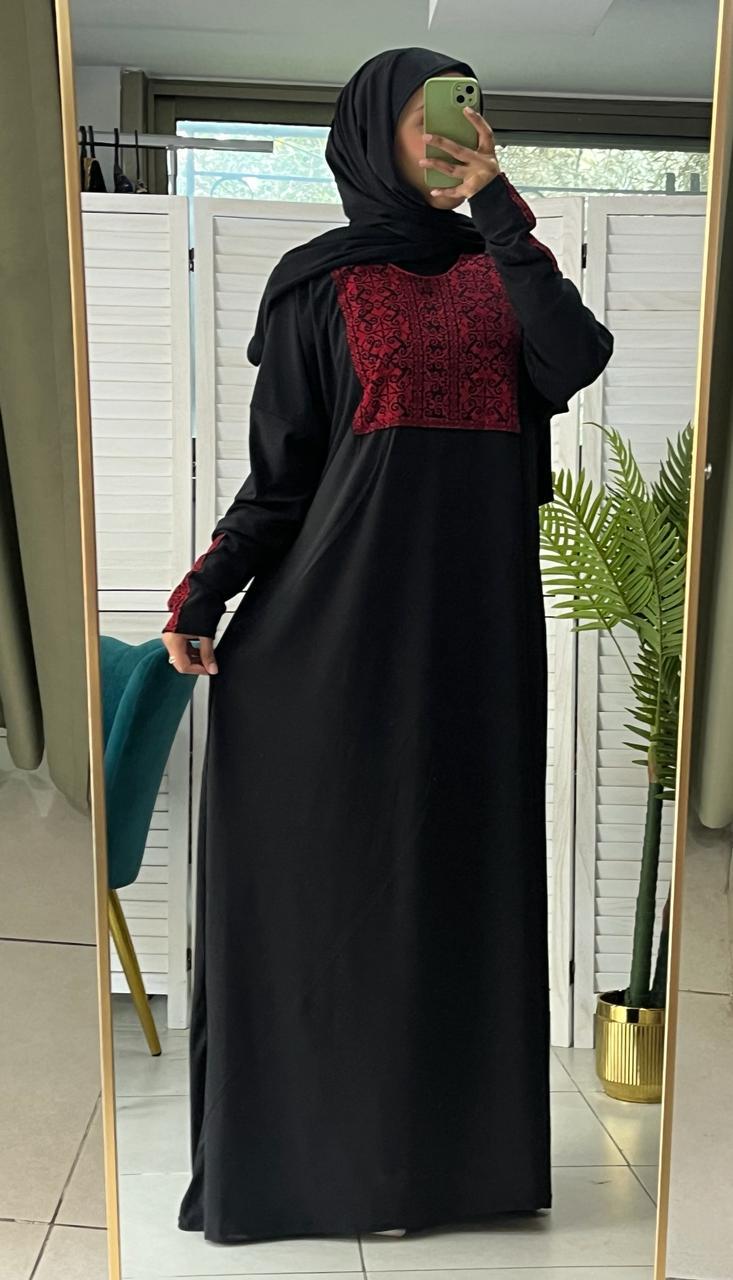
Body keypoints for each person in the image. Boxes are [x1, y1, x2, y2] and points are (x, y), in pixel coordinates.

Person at [161, 46, 614, 1245]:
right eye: (425, 117)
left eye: (464, 112)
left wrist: (498, 207)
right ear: (371, 134)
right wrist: (203, 593)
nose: (450, 132)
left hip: (472, 648)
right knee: (338, 896)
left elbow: (575, 358)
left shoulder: (503, 268)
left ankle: (444, 1169)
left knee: (453, 882)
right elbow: (282, 479)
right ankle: (320, 1167)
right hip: (330, 642)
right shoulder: (316, 285)